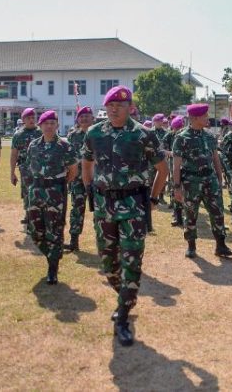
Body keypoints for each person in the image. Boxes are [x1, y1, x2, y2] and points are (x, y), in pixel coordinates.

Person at [82, 85, 168, 347]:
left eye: (120, 105)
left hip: (133, 206)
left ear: (130, 107)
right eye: (110, 105)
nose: (114, 109)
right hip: (105, 205)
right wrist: (90, 194)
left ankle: (123, 315)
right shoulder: (94, 133)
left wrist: (153, 199)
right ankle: (124, 296)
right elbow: (87, 164)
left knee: (132, 261)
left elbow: (162, 170)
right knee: (108, 263)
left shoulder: (144, 134)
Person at [172, 103, 232, 259]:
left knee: (218, 212)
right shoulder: (181, 138)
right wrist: (177, 187)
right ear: (194, 118)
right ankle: (191, 246)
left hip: (210, 180)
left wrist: (220, 178)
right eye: (205, 115)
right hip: (191, 181)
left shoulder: (209, 136)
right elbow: (176, 165)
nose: (208, 118)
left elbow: (215, 158)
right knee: (191, 214)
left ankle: (221, 246)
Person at [25, 110, 78, 284]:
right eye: (46, 123)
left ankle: (52, 267)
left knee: (54, 230)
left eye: (52, 123)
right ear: (40, 125)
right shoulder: (33, 145)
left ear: (57, 125)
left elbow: (73, 170)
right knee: (34, 230)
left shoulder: (65, 146)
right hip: (36, 190)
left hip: (55, 191)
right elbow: (28, 167)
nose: (49, 126)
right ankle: (50, 254)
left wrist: (59, 184)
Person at [64, 106, 94, 252]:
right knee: (76, 209)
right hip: (77, 180)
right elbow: (68, 158)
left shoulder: (99, 134)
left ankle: (107, 243)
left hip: (96, 179)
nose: (84, 119)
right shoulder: (72, 136)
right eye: (81, 116)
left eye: (87, 116)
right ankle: (73, 241)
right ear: (78, 119)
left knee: (101, 211)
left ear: (92, 118)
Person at [10, 108, 42, 224]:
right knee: (26, 192)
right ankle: (28, 215)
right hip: (25, 168)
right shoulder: (18, 135)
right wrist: (12, 172)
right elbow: (14, 154)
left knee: (39, 192)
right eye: (28, 118)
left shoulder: (41, 132)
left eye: (33, 117)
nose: (31, 120)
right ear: (23, 119)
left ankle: (38, 215)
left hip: (40, 168)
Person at [162, 116, 185, 226]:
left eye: (180, 127)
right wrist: (171, 153)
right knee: (175, 186)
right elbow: (162, 149)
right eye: (176, 128)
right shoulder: (169, 136)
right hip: (173, 164)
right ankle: (177, 215)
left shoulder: (185, 135)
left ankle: (184, 211)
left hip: (186, 165)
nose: (178, 130)